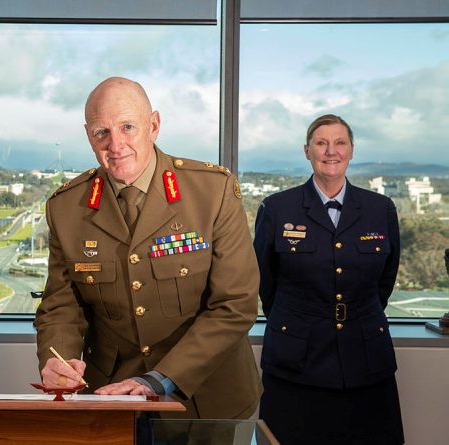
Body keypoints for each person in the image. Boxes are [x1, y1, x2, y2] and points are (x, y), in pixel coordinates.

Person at [34, 77, 261, 420]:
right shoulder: (67, 207)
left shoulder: (212, 192)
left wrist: (160, 378)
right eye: (102, 132)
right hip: (113, 398)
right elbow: (62, 304)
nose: (116, 144)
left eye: (127, 127)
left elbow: (235, 304)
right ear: (88, 136)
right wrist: (59, 360)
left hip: (207, 398)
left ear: (153, 125)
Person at [253, 114, 404, 444]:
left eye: (339, 143)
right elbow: (266, 283)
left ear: (351, 150)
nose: (330, 151)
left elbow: (384, 281)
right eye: (321, 143)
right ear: (307, 151)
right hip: (296, 363)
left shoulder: (381, 208)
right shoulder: (277, 209)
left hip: (364, 359)